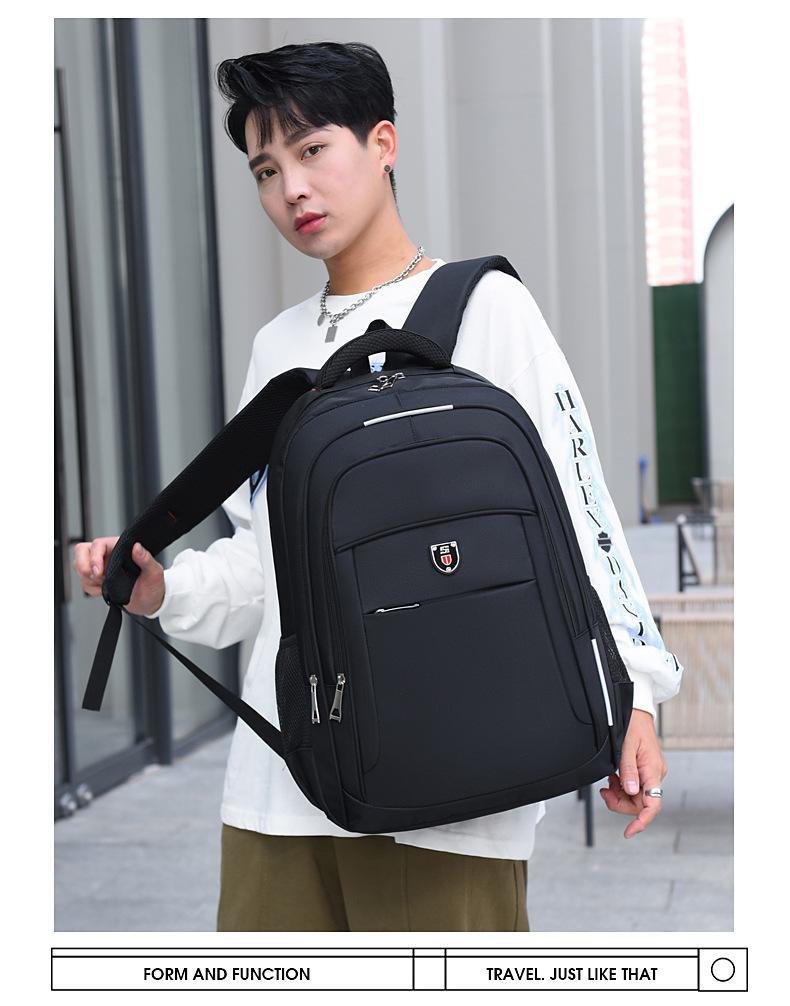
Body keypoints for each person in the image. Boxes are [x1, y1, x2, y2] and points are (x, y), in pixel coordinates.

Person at [72, 40, 683, 932]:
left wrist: (637, 694)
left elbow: (583, 511)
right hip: (282, 786)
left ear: (384, 143)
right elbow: (267, 569)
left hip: (458, 786)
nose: (292, 189)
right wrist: (163, 590)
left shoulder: (484, 309)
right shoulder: (277, 348)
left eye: (312, 150)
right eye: (266, 170)